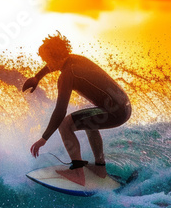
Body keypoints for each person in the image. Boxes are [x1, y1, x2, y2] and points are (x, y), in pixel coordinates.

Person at [23, 33, 131, 184]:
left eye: (47, 60)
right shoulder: (74, 59)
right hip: (123, 107)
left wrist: (44, 138)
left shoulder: (67, 75)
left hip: (115, 111)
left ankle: (78, 172)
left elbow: (60, 110)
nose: (46, 64)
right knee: (87, 120)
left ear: (57, 57)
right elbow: (52, 67)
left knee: (65, 124)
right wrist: (37, 77)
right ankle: (100, 168)